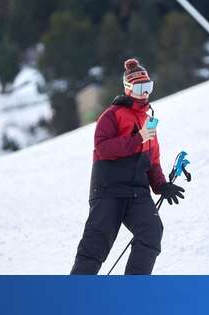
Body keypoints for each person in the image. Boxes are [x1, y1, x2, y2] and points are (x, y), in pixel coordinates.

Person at [70, 58, 185, 275]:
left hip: (137, 193)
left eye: (148, 87)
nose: (145, 93)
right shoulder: (111, 116)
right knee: (95, 245)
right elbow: (103, 148)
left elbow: (153, 160)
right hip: (108, 190)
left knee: (152, 231)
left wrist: (161, 185)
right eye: (140, 87)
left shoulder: (149, 121)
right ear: (128, 88)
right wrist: (137, 139)